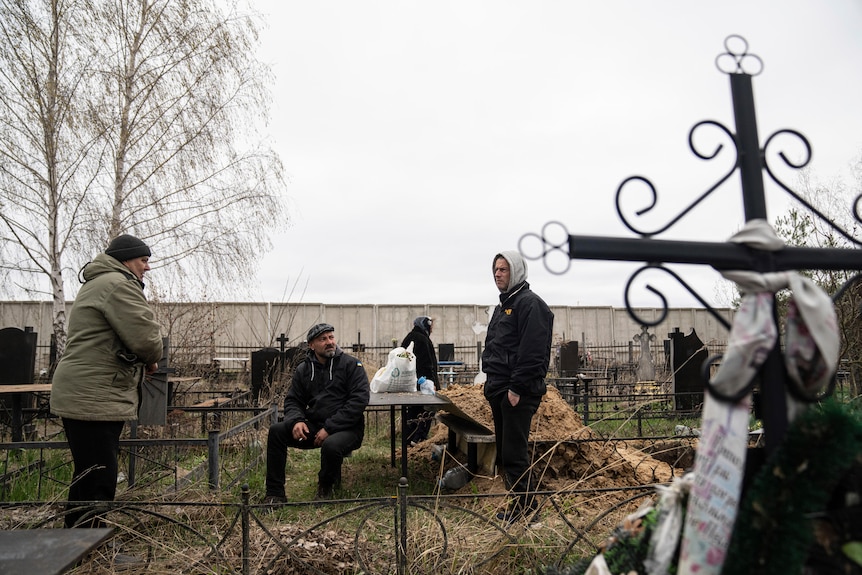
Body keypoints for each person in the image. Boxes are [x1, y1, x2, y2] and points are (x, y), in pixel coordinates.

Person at [50, 234, 163, 528]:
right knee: (99, 474)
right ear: (127, 259)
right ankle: (87, 548)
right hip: (94, 394)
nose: (147, 267)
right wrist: (150, 356)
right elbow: (148, 341)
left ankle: (76, 544)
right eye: (143, 260)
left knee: (89, 472)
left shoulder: (99, 283)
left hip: (86, 390)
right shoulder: (118, 285)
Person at [481, 250, 554, 523]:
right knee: (507, 452)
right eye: (496, 270)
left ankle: (527, 510)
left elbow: (533, 353)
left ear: (517, 271)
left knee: (514, 453)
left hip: (517, 392)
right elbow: (496, 347)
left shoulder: (531, 304)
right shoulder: (505, 305)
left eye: (504, 269)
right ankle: (521, 504)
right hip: (499, 389)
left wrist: (516, 389)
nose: (498, 274)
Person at [264, 323, 370, 502]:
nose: (329, 342)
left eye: (331, 337)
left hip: (347, 428)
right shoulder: (304, 370)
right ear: (311, 345)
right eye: (323, 339)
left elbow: (358, 401)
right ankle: (275, 494)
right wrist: (296, 421)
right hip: (314, 426)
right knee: (277, 432)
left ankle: (326, 489)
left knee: (331, 445)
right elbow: (293, 400)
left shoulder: (351, 365)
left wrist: (330, 428)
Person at [400, 316, 438, 444]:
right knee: (425, 412)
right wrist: (432, 383)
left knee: (412, 412)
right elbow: (427, 364)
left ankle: (409, 439)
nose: (432, 328)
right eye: (431, 326)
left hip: (410, 383)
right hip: (423, 384)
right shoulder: (422, 339)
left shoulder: (409, 337)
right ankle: (418, 439)